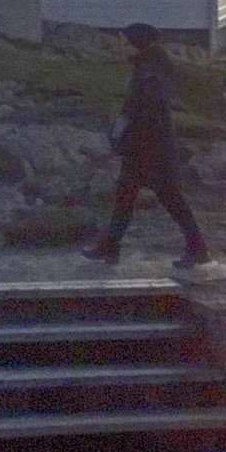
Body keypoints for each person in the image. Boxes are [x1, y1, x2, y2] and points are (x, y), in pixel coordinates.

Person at [83, 22, 213, 269]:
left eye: (125, 42)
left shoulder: (150, 73)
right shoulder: (149, 66)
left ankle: (198, 249)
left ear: (136, 44)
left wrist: (123, 139)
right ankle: (110, 247)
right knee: (126, 197)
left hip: (151, 150)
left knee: (170, 199)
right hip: (142, 149)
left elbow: (144, 112)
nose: (121, 47)